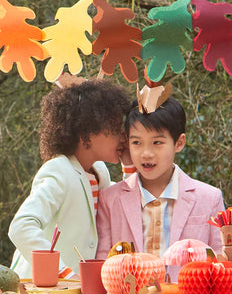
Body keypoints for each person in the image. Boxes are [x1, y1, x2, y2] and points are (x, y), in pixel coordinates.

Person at [9, 78, 131, 278]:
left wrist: (130, 165)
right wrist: (63, 273)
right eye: (116, 129)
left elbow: (124, 204)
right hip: (38, 289)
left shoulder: (99, 172)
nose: (124, 137)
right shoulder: (58, 170)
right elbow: (21, 226)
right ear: (87, 134)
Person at [96, 96, 224, 264]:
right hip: (128, 290)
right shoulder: (109, 200)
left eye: (157, 142)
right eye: (137, 142)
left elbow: (223, 264)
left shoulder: (209, 198)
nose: (146, 153)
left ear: (179, 143)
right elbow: (101, 265)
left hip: (188, 290)